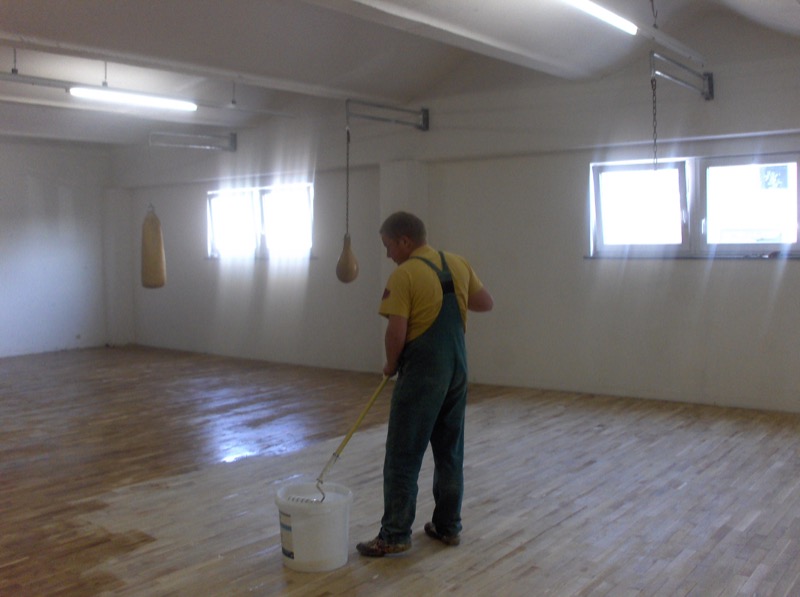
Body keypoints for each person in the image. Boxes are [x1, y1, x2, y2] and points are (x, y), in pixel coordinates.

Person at [356, 211, 494, 557]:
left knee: (403, 455)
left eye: (388, 245)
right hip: (457, 369)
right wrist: (452, 294)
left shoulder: (405, 274)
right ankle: (448, 526)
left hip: (423, 374)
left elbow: (396, 330)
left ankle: (395, 534)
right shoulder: (457, 263)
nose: (388, 254)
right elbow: (485, 303)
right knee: (449, 452)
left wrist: (390, 364)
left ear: (405, 241)